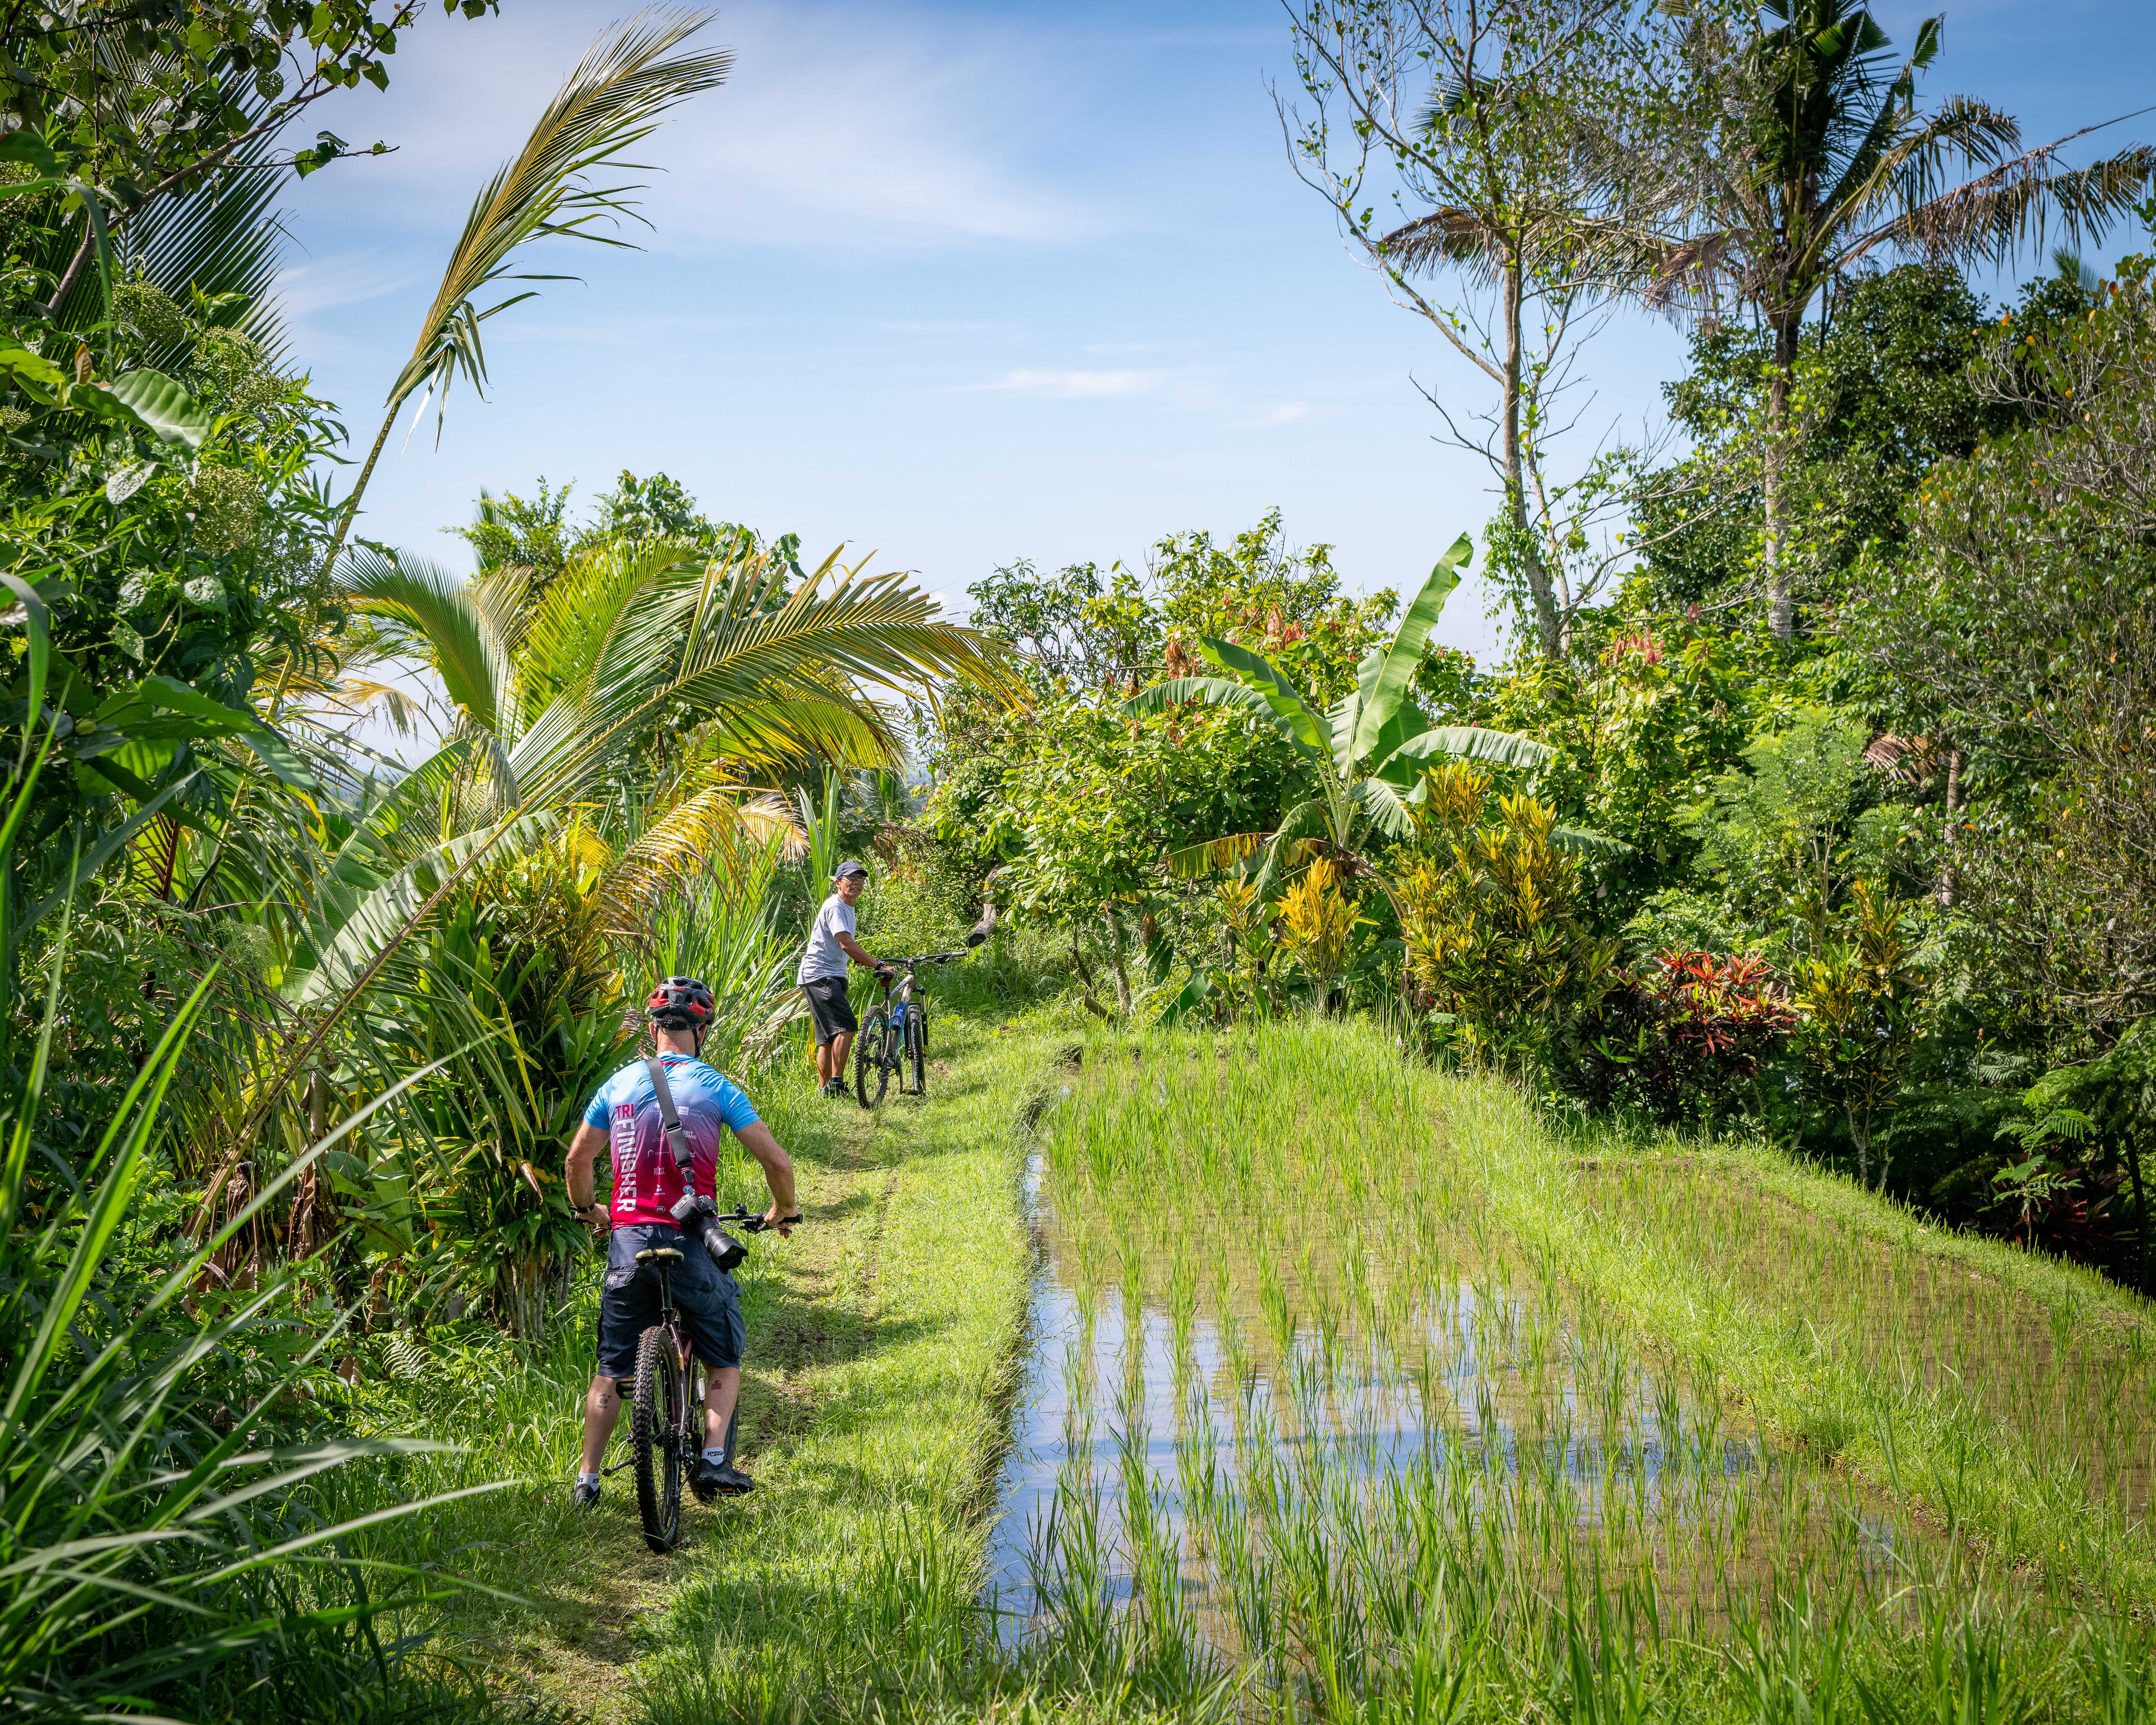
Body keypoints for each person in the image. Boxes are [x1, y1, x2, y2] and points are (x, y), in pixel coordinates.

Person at [562, 976, 799, 1506]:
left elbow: (578, 1160)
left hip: (627, 1242)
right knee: (724, 1356)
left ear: (652, 1030)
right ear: (702, 1030)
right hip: (692, 1239)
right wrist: (783, 1208)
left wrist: (589, 1210)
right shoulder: (716, 1087)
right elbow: (778, 1161)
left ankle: (588, 1480)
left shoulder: (617, 1086)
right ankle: (714, 1458)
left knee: (610, 1369)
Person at [797, 858, 891, 1098]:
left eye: (861, 879)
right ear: (838, 883)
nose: (857, 883)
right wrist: (878, 964)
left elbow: (841, 945)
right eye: (852, 878)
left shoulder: (847, 907)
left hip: (823, 974)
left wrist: (858, 958)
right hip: (821, 975)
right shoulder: (836, 906)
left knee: (828, 1038)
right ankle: (837, 1085)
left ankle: (825, 1091)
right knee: (846, 1027)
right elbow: (845, 943)